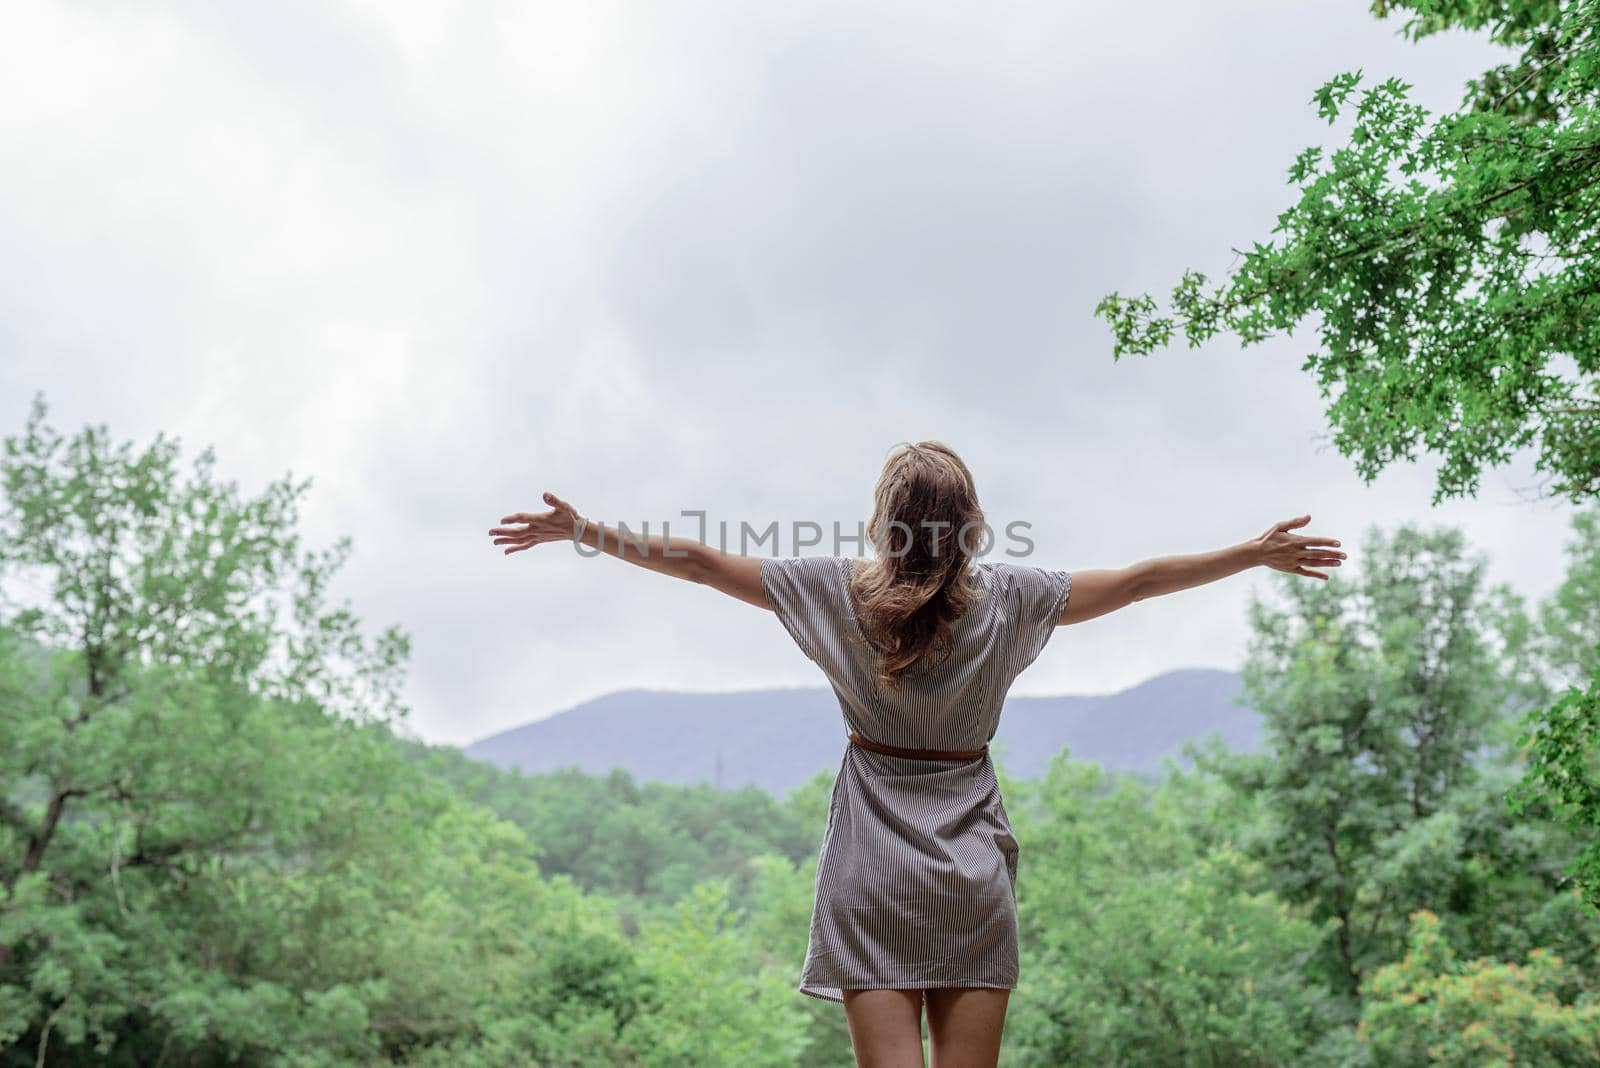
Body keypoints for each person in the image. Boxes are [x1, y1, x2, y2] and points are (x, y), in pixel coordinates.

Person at [487, 440, 1345, 1068]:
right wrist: (1252, 553)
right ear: (971, 527)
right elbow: (1137, 581)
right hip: (969, 875)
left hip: (871, 876)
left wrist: (587, 531)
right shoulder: (1012, 599)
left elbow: (704, 562)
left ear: (883, 523)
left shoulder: (830, 592)